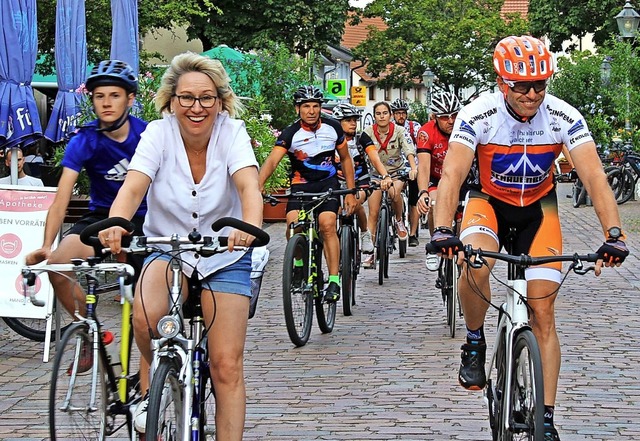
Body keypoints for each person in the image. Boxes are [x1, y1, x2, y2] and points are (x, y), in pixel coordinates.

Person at [428, 35, 629, 441]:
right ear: (503, 83)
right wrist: (443, 229)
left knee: (543, 314)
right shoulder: (478, 115)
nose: (532, 94)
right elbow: (451, 175)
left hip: (540, 212)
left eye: (540, 84)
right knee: (475, 261)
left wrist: (614, 235)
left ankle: (546, 419)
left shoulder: (563, 116)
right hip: (489, 204)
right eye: (522, 86)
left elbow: (593, 175)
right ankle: (473, 340)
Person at [98, 52, 263, 438]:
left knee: (225, 364)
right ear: (172, 101)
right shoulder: (158, 133)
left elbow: (248, 187)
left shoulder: (232, 132)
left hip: (225, 252)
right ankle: (151, 374)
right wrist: (118, 224)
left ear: (220, 101)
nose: (196, 107)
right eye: (186, 98)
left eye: (206, 98)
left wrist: (250, 226)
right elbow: (133, 186)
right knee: (143, 315)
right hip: (168, 246)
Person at [25, 59, 147, 319]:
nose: (106, 102)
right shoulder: (84, 139)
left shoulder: (147, 135)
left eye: (115, 95)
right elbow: (62, 198)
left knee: (146, 309)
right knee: (57, 266)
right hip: (102, 216)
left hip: (145, 218)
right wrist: (48, 245)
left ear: (130, 99)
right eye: (99, 96)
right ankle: (91, 338)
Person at [259, 86, 357, 303]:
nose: (311, 111)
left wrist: (350, 191)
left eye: (315, 106)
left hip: (327, 184)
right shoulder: (290, 133)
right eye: (306, 106)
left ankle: (333, 280)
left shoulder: (333, 128)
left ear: (320, 108)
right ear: (298, 109)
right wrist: (258, 185)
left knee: (327, 224)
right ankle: (299, 266)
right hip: (301, 185)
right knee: (293, 223)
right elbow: (273, 160)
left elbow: (346, 159)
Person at [332, 103, 393, 256]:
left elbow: (374, 158)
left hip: (360, 180)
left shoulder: (361, 137)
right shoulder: (330, 139)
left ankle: (365, 233)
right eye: (348, 120)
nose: (353, 123)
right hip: (335, 180)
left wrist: (385, 175)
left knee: (355, 201)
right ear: (338, 122)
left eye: (355, 120)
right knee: (334, 210)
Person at [362, 101, 417, 268]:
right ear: (374, 116)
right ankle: (370, 252)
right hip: (376, 175)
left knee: (394, 193)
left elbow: (408, 150)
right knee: (373, 211)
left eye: (385, 113)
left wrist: (413, 168)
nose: (382, 116)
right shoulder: (368, 132)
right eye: (378, 113)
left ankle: (399, 220)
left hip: (396, 172)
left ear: (390, 115)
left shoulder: (400, 131)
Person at [414, 91, 463, 270]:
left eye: (454, 115)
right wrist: (423, 192)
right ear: (435, 117)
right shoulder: (426, 132)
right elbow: (424, 166)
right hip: (436, 178)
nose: (450, 121)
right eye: (444, 117)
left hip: (462, 177)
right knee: (434, 203)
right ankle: (434, 246)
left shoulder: (464, 127)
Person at [391, 98, 422, 247]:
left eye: (403, 113)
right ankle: (394, 220)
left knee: (414, 200)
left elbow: (421, 147)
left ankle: (413, 233)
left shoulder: (414, 127)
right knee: (393, 193)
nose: (400, 116)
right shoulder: (389, 128)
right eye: (397, 113)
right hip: (396, 168)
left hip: (413, 167)